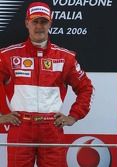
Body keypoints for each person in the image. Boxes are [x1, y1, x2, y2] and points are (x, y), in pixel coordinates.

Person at [0, 1, 94, 167]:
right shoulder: (8, 55)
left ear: (50, 23)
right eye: (35, 21)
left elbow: (86, 88)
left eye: (43, 22)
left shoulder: (65, 57)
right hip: (20, 126)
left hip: (52, 127)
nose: (39, 26)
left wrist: (73, 116)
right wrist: (1, 116)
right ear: (26, 23)